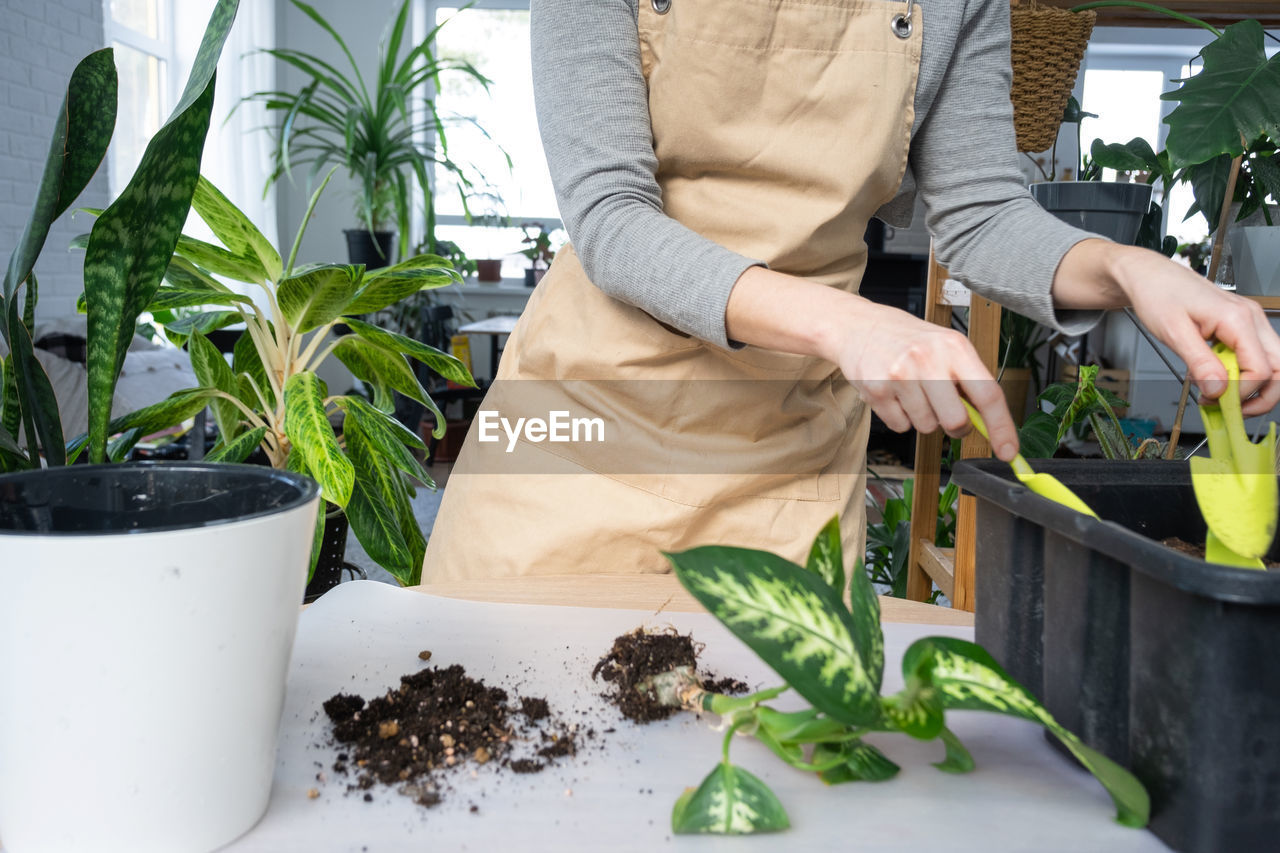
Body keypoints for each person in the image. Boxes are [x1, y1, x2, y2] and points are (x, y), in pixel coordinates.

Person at [422, 0, 1280, 581]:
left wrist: (1134, 269)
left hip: (781, 461)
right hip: (582, 432)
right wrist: (847, 324)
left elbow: (981, 212)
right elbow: (611, 218)